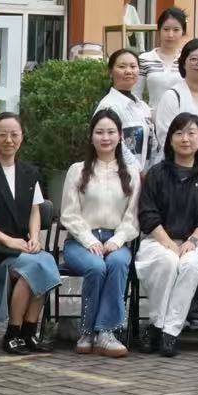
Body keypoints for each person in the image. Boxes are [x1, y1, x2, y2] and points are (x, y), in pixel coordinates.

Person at [0, 112, 61, 355]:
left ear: (22, 137)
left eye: (14, 134)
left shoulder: (29, 173)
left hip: (21, 246)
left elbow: (35, 210)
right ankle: (13, 333)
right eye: (3, 135)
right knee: (32, 268)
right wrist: (8, 240)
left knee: (45, 262)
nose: (9, 140)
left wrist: (35, 237)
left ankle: (28, 331)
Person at [134, 112, 198, 357]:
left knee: (191, 265)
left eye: (191, 133)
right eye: (179, 133)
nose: (185, 139)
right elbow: (147, 213)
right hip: (158, 240)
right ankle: (162, 326)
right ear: (170, 139)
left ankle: (165, 331)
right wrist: (169, 243)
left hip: (196, 242)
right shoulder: (156, 173)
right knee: (168, 261)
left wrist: (193, 240)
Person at [59, 110, 141, 357]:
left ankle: (106, 332)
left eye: (111, 132)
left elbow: (132, 216)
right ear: (91, 136)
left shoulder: (131, 172)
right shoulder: (77, 170)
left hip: (117, 241)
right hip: (80, 242)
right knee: (96, 267)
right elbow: (69, 214)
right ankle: (87, 332)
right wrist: (89, 240)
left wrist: (117, 240)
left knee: (116, 264)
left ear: (120, 136)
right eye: (99, 132)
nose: (105, 138)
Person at [154, 38, 198, 164]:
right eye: (193, 59)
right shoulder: (172, 96)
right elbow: (165, 138)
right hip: (177, 167)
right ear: (183, 63)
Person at [96, 47, 153, 170]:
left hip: (146, 176)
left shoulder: (143, 107)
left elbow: (153, 143)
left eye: (133, 66)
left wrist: (152, 171)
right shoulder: (108, 106)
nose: (128, 71)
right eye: (122, 67)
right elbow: (113, 144)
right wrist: (137, 171)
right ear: (110, 72)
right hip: (120, 174)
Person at [138, 6, 188, 106]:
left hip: (182, 114)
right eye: (166, 29)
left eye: (176, 30)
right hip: (153, 114)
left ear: (183, 32)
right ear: (159, 30)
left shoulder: (188, 59)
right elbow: (136, 94)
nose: (170, 35)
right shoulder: (144, 59)